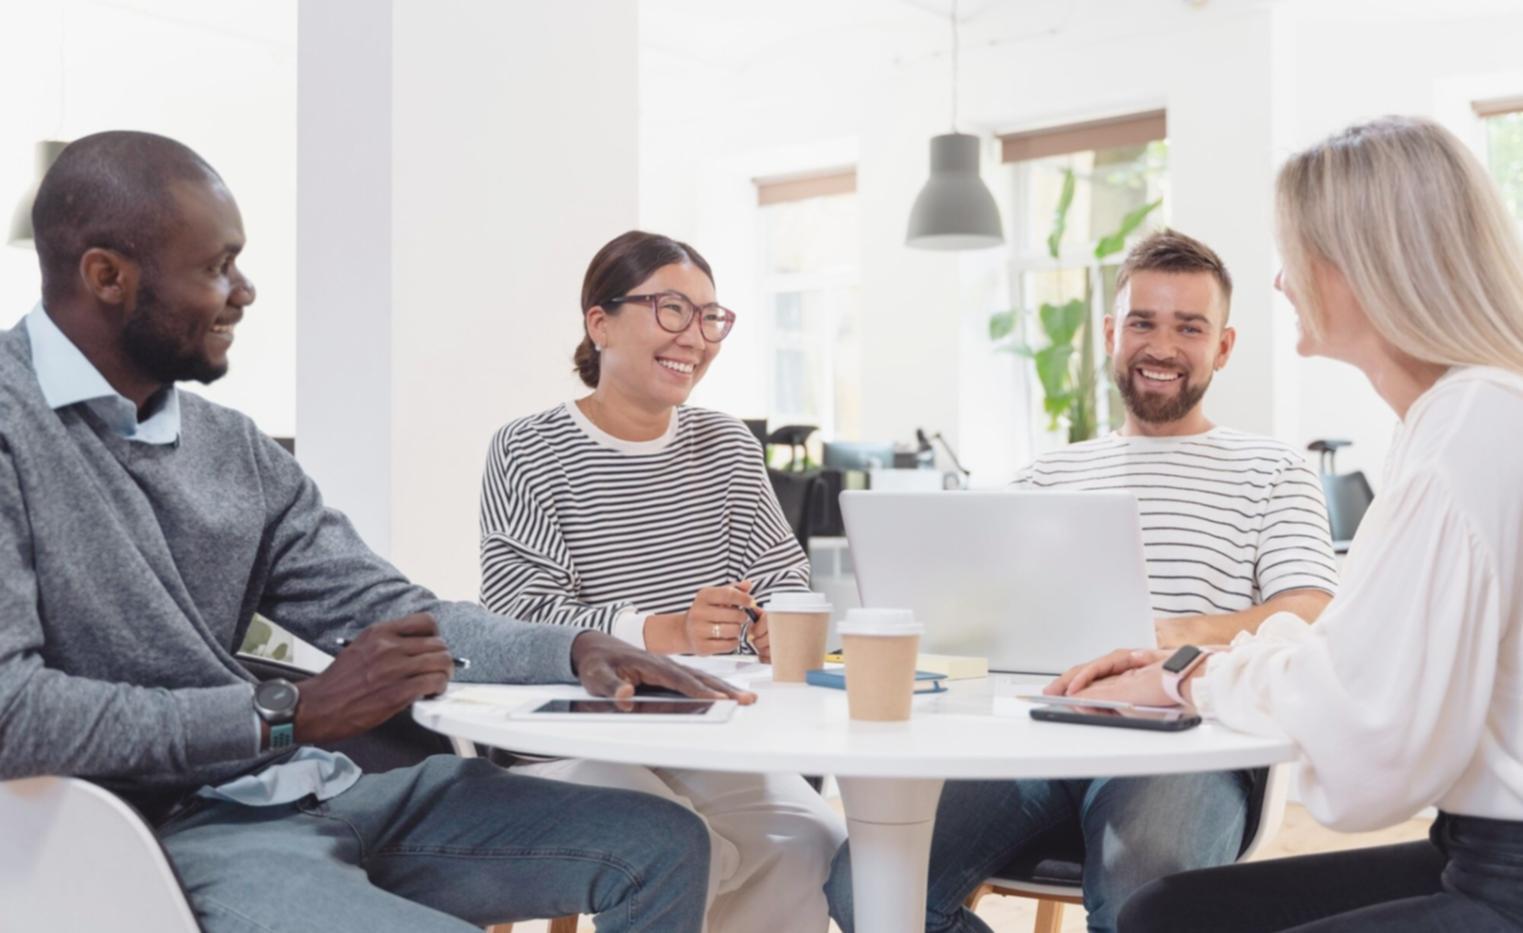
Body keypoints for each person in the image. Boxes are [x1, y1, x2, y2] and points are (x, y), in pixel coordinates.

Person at [0, 130, 755, 933]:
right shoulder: (14, 429)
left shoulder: (233, 448)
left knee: (663, 842)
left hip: (311, 784)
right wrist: (283, 712)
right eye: (217, 267)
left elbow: (387, 607)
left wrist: (568, 647)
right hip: (161, 831)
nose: (244, 291)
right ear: (107, 276)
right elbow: (13, 713)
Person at [1063, 116, 1523, 932]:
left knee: (1157, 907)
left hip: (1503, 876)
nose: (1280, 281)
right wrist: (1198, 661)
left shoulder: (1470, 432)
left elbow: (1369, 758)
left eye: (1295, 252)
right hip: (1473, 846)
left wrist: (1188, 675)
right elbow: (1351, 655)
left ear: (1365, 266)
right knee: (1163, 915)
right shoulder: (1456, 417)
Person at [826, 229, 1339, 933]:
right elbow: (980, 611)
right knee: (865, 884)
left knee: (1143, 888)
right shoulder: (1047, 474)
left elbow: (1308, 607)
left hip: (1186, 742)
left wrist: (1161, 638)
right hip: (1036, 735)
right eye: (1141, 322)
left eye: (1188, 327)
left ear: (1221, 346)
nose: (1160, 346)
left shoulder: (1272, 469)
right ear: (1109, 333)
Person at [478, 230, 846, 932]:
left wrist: (775, 617)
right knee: (685, 845)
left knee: (812, 843)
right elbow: (519, 609)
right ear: (599, 322)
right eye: (671, 309)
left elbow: (782, 576)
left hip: (709, 734)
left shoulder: (728, 445)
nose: (696, 337)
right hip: (576, 739)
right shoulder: (528, 448)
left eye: (711, 317)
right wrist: (664, 631)